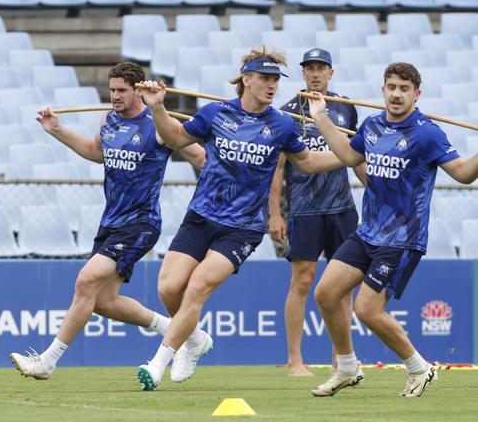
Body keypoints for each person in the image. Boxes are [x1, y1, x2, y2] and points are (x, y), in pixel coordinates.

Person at [136, 47, 352, 391]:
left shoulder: (282, 124)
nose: (271, 85)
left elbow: (308, 162)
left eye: (275, 80)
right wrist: (158, 107)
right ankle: (195, 340)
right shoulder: (215, 113)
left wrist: (350, 156)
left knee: (197, 287)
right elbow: (176, 137)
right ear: (246, 80)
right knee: (169, 287)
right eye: (264, 79)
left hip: (243, 228)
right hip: (201, 215)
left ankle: (158, 361)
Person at [10, 62, 205, 380]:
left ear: (139, 90)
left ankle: (47, 361)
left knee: (85, 281)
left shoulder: (157, 123)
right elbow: (95, 151)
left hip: (141, 222)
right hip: (111, 223)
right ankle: (185, 332)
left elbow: (199, 156)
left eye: (121, 90)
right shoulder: (109, 120)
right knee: (102, 301)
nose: (114, 96)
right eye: (111, 90)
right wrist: (57, 130)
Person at [308, 62, 478, 397]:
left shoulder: (427, 133)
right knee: (325, 294)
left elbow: (463, 174)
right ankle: (346, 367)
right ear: (383, 90)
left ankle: (419, 368)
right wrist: (320, 117)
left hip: (402, 239)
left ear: (417, 94)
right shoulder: (371, 126)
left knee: (367, 309)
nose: (396, 94)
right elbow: (346, 155)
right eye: (391, 87)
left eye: (404, 89)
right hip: (367, 232)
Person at [268, 48, 364, 376]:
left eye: (321, 67)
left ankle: (342, 358)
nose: (315, 73)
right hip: (304, 210)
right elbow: (278, 170)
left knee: (344, 283)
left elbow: (355, 156)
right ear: (303, 73)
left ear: (331, 72)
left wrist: (376, 190)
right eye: (309, 68)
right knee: (302, 281)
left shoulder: (345, 107)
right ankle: (295, 360)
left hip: (342, 208)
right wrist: (275, 215)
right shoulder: (286, 113)